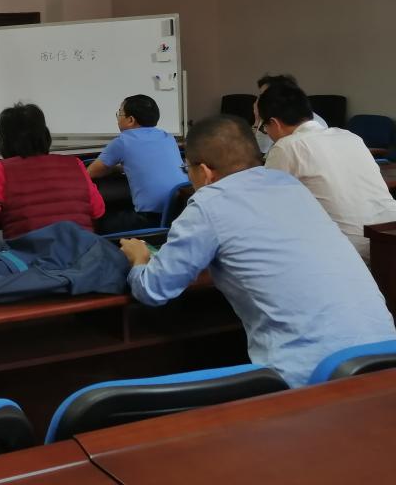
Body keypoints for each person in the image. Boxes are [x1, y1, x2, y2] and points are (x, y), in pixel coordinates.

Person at [119, 115, 395, 387]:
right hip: (384, 357)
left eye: (186, 168)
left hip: (315, 378)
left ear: (204, 172)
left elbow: (154, 290)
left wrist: (139, 259)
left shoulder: (209, 204)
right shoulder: (292, 186)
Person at [258, 82, 396, 259]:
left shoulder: (287, 147)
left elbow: (268, 210)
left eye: (264, 127)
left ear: (274, 123)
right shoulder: (350, 136)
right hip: (390, 236)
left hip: (352, 251)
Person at [0, 103, 104, 239]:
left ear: (4, 141)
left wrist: (9, 212)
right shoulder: (75, 164)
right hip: (81, 252)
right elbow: (98, 210)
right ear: (45, 135)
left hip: (30, 254)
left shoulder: (3, 170)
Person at [88, 95, 184, 233]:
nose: (118, 117)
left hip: (151, 220)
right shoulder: (168, 137)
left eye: (120, 113)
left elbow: (91, 173)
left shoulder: (123, 141)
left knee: (99, 223)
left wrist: (114, 169)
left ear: (131, 120)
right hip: (180, 212)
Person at [252, 73, 327, 154]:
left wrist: (259, 118)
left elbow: (260, 149)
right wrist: (257, 119)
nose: (259, 100)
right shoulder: (276, 116)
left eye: (265, 95)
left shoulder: (284, 120)